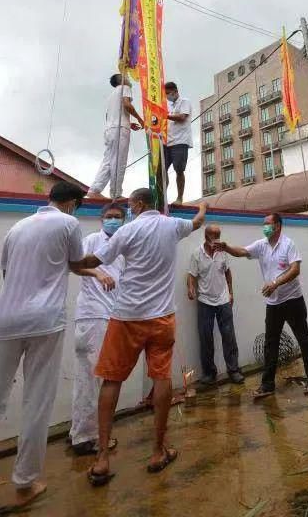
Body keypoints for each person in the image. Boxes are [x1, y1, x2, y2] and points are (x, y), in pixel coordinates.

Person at [79, 188, 206, 485]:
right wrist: (202, 206)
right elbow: (197, 222)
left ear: (137, 204)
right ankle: (158, 451)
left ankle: (102, 460)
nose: (126, 210)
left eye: (128, 205)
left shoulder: (127, 231)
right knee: (161, 379)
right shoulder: (172, 225)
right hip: (161, 317)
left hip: (126, 316)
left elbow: (94, 261)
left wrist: (70, 260)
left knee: (111, 381)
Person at [0, 182, 87, 511]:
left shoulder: (17, 227)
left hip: (7, 317)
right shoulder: (68, 223)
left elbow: (8, 273)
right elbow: (77, 264)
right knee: (37, 399)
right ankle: (25, 482)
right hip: (45, 321)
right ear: (73, 203)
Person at [214, 213, 308, 399]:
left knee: (303, 340)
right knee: (271, 344)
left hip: (293, 300)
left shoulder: (288, 244)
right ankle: (267, 385)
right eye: (264, 224)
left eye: (268, 224)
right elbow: (243, 252)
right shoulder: (262, 245)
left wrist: (275, 283)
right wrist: (227, 247)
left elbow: (295, 269)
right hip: (273, 303)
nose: (265, 227)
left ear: (278, 226)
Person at [70, 203, 126, 455]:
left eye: (118, 217)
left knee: (97, 377)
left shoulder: (123, 246)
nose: (113, 221)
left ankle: (81, 432)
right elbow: (73, 264)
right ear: (101, 219)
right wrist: (97, 273)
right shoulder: (92, 240)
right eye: (109, 217)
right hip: (92, 317)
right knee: (91, 378)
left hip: (110, 317)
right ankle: (85, 437)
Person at [187, 225, 244, 385]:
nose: (217, 238)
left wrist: (231, 292)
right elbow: (191, 275)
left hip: (223, 300)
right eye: (214, 235)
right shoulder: (196, 253)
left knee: (229, 337)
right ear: (206, 236)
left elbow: (227, 272)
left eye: (218, 235)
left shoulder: (223, 251)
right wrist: (190, 288)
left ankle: (233, 370)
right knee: (206, 338)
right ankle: (209, 373)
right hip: (205, 301)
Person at [87, 73, 144, 200]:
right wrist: (140, 120)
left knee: (108, 161)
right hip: (119, 129)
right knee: (119, 160)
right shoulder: (125, 88)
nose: (129, 80)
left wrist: (128, 124)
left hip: (110, 130)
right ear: (122, 80)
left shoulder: (111, 96)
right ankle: (116, 193)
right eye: (127, 77)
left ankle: (94, 190)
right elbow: (127, 105)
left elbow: (110, 116)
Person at [164, 81, 193, 205]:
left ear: (176, 91)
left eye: (169, 93)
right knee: (161, 170)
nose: (167, 96)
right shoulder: (168, 106)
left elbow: (182, 117)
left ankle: (179, 198)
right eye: (166, 94)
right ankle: (162, 197)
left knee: (179, 170)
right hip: (166, 141)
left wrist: (165, 115)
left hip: (180, 141)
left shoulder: (184, 102)